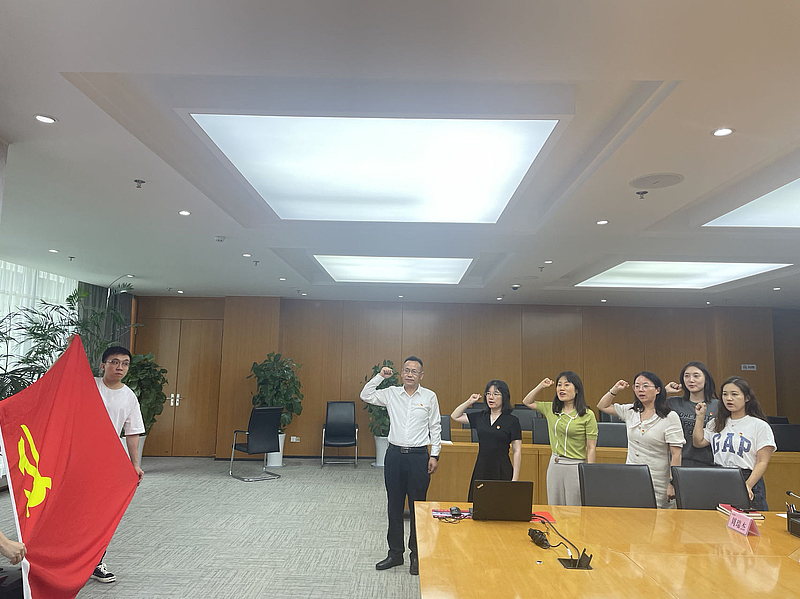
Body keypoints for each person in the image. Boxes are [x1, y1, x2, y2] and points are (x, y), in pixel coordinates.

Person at [360, 356, 441, 577]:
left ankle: (416, 555)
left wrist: (435, 455)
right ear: (401, 373)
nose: (409, 374)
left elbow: (435, 427)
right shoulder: (391, 393)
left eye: (414, 371)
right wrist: (380, 376)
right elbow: (365, 394)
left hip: (418, 457)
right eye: (406, 370)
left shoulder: (429, 396)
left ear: (421, 375)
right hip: (394, 455)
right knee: (394, 506)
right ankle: (395, 553)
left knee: (417, 507)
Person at [92, 346, 145, 583]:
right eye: (114, 362)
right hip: (79, 457)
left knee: (102, 515)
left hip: (108, 461)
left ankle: (96, 561)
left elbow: (132, 433)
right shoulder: (89, 386)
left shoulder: (128, 396)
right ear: (103, 365)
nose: (119, 367)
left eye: (125, 363)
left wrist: (135, 465)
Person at [597, 372, 684, 508]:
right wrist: (615, 389)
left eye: (645, 386)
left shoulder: (670, 416)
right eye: (637, 386)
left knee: (659, 519)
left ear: (658, 390)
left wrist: (672, 483)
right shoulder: (631, 411)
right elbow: (602, 406)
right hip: (632, 477)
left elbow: (676, 454)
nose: (640, 390)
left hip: (658, 480)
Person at [692, 376, 775, 511]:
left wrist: (748, 485)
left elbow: (762, 462)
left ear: (747, 398)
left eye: (734, 394)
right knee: (719, 519)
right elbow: (698, 442)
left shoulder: (759, 425)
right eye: (725, 394)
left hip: (747, 477)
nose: (729, 398)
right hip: (719, 475)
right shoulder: (716, 422)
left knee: (751, 520)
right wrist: (700, 417)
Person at [522, 372, 597, 506]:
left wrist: (589, 473)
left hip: (575, 466)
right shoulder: (551, 409)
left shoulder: (587, 415)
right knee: (554, 507)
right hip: (555, 465)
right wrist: (541, 386)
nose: (561, 389)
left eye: (567, 385)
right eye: (559, 385)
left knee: (574, 509)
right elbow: (527, 402)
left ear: (577, 389)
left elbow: (591, 448)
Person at [451, 380, 522, 501]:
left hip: (502, 468)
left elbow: (517, 450)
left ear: (504, 396)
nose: (491, 397)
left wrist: (515, 478)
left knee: (501, 504)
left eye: (496, 394)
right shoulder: (481, 416)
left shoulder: (512, 421)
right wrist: (469, 401)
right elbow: (455, 416)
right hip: (482, 467)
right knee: (478, 503)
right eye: (488, 393)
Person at [665, 361, 719, 467]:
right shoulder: (673, 403)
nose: (691, 380)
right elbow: (643, 408)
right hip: (678, 461)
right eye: (686, 376)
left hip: (708, 463)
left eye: (696, 376)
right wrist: (664, 391)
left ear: (706, 379)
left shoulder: (718, 406)